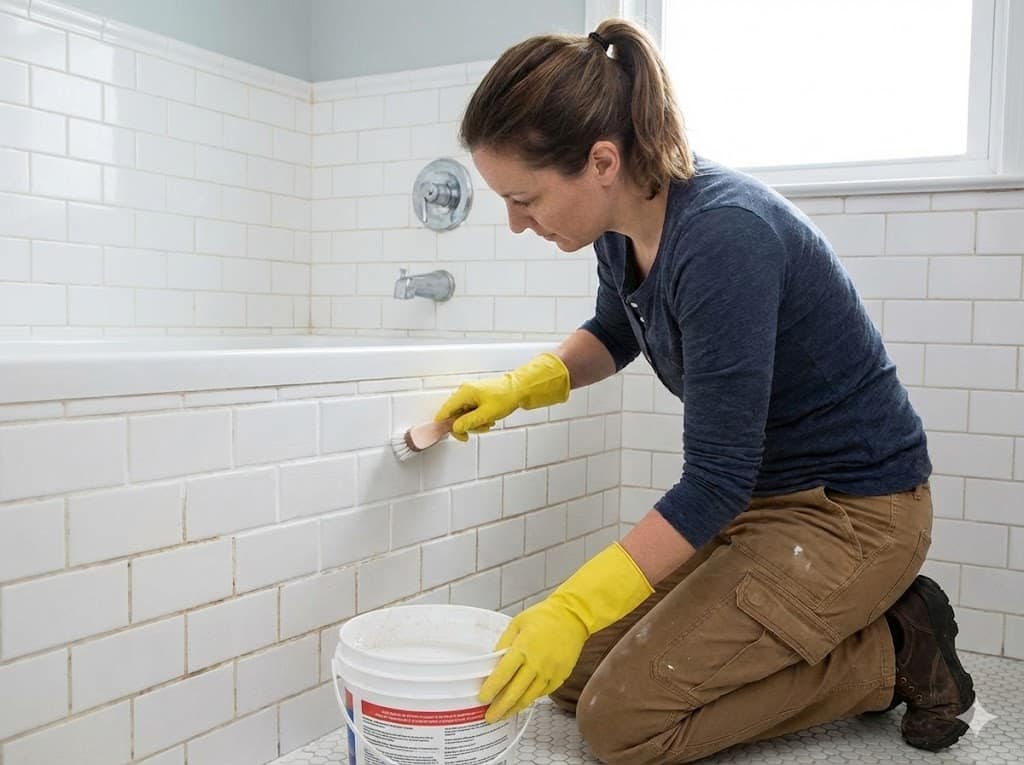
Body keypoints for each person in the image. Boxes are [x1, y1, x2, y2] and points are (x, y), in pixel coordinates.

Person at [432, 18, 976, 764]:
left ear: (600, 161)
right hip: (764, 504)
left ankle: (894, 648)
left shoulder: (724, 238)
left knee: (620, 722)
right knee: (571, 675)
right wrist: (525, 385)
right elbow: (616, 328)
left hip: (854, 515)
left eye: (525, 199)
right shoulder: (621, 226)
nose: (516, 224)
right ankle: (811, 627)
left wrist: (571, 603)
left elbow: (714, 480)